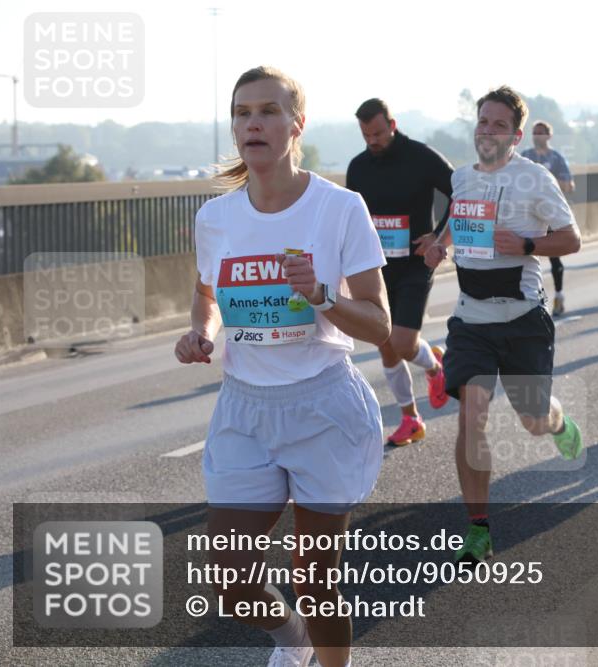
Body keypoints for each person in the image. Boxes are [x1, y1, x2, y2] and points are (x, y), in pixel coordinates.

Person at [175, 66, 389, 667]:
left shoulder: (340, 208)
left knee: (317, 579)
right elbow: (206, 293)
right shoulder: (216, 218)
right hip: (245, 409)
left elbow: (378, 324)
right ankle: (293, 642)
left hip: (322, 404)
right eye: (242, 113)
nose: (253, 123)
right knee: (229, 582)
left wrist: (323, 296)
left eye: (268, 111)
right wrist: (200, 331)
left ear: (296, 126)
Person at [424, 86, 583, 564]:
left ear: (515, 136)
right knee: (471, 416)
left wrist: (529, 246)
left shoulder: (534, 179)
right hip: (471, 319)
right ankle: (478, 528)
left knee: (533, 421)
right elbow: (458, 218)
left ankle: (555, 419)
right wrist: (438, 244)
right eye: (482, 122)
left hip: (523, 319)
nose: (487, 131)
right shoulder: (461, 178)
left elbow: (572, 239)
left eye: (497, 125)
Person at [346, 98, 453, 447]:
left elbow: (461, 193)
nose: (372, 141)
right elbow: (348, 217)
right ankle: (411, 418)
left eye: (377, 133)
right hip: (375, 268)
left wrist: (438, 237)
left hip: (414, 264)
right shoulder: (358, 166)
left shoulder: (421, 157)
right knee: (385, 345)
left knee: (403, 342)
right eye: (366, 135)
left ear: (392, 125)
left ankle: (435, 367)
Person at [522, 120, 576, 317]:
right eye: (534, 133)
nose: (537, 136)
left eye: (541, 133)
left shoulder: (557, 158)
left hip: (550, 212)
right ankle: (528, 300)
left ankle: (559, 295)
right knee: (525, 254)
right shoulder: (526, 157)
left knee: (554, 257)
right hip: (528, 213)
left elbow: (570, 185)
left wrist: (549, 182)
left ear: (549, 136)